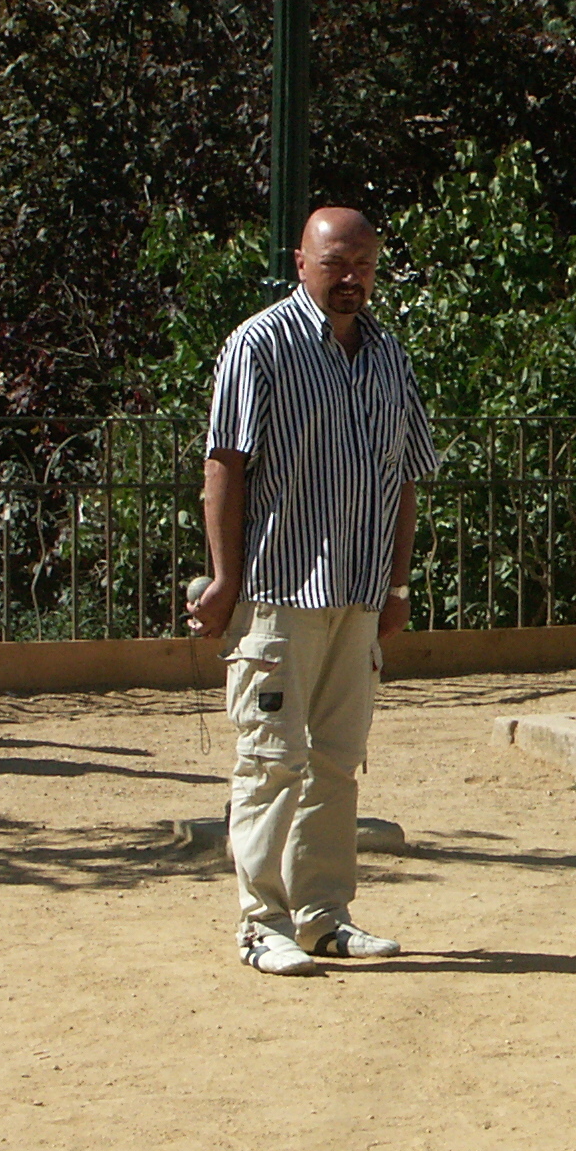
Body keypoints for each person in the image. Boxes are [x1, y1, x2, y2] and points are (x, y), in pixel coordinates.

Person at [188, 207, 439, 976]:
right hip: (280, 589)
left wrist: (397, 582)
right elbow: (225, 464)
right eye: (334, 263)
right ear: (301, 262)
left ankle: (324, 914)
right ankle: (261, 922)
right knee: (272, 758)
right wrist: (225, 577)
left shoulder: (388, 355)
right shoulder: (259, 345)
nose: (350, 278)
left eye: (363, 264)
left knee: (336, 759)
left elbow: (406, 476)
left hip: (357, 597)